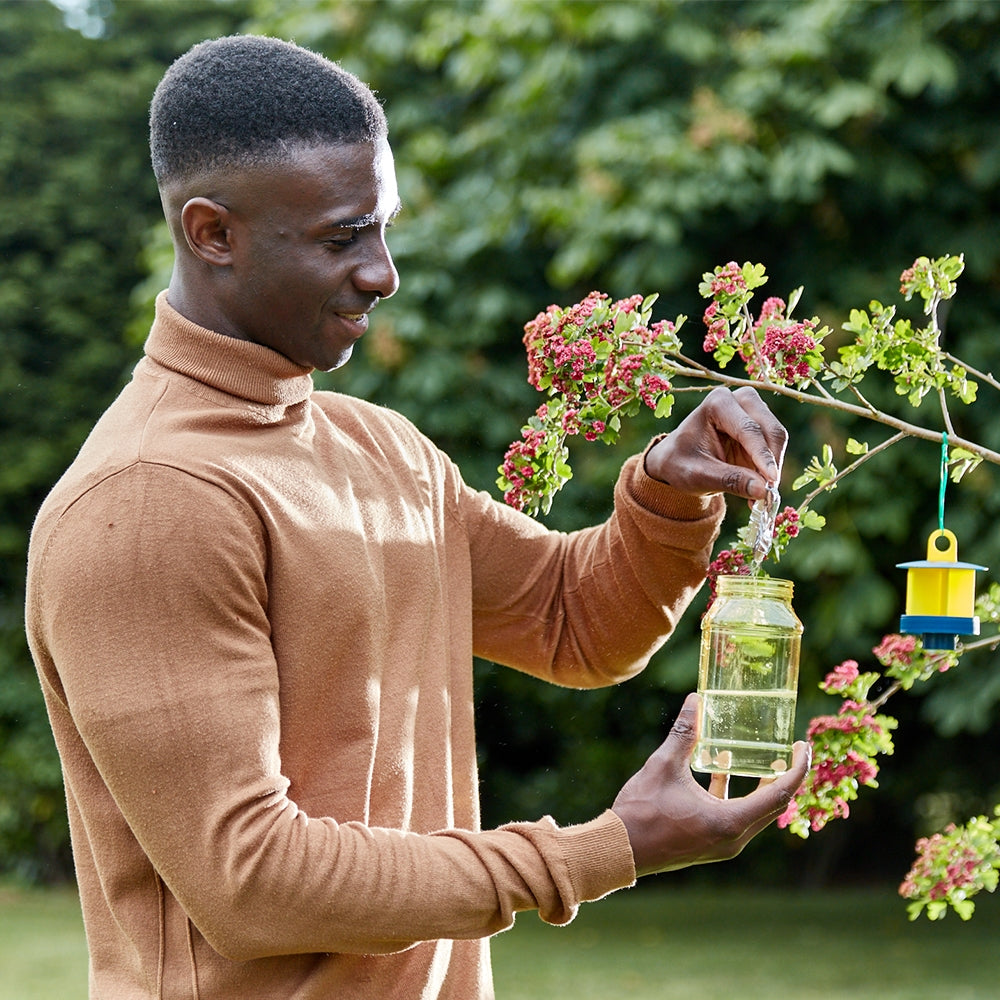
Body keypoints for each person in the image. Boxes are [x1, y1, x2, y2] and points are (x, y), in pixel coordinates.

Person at [25, 34, 809, 1000]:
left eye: (384, 228)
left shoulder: (381, 449)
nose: (384, 273)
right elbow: (253, 884)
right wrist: (601, 852)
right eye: (342, 237)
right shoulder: (146, 503)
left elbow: (575, 624)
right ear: (211, 232)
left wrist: (668, 490)